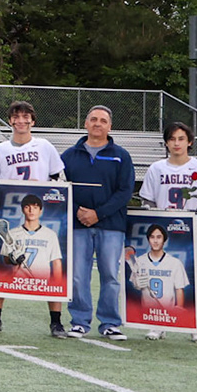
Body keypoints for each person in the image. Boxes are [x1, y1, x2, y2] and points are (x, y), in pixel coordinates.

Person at [0, 100, 68, 338]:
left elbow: (59, 178)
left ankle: (56, 322)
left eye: (26, 117)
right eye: (16, 116)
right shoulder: (0, 150)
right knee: (2, 265)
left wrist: (48, 190)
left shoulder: (45, 146)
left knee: (50, 263)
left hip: (41, 212)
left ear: (33, 121)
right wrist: (3, 188)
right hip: (11, 212)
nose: (21, 121)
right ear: (10, 121)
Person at [62, 105, 135, 341]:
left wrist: (98, 214)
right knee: (77, 275)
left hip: (111, 225)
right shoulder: (69, 155)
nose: (97, 123)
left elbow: (125, 191)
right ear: (85, 123)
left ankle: (110, 322)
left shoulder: (121, 155)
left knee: (111, 275)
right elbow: (60, 190)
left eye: (103, 120)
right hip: (77, 224)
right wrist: (78, 213)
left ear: (109, 126)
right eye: (93, 119)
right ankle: (80, 321)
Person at [128, 223, 191, 340]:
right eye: (152, 237)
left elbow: (179, 288)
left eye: (159, 237)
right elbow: (135, 285)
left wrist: (179, 307)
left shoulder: (175, 263)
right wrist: (137, 284)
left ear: (164, 240)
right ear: (148, 240)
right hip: (148, 311)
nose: (155, 241)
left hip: (167, 310)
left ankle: (161, 327)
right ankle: (156, 327)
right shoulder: (140, 261)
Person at [141, 123, 197, 212]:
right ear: (166, 143)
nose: (176, 143)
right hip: (162, 223)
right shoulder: (156, 168)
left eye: (181, 139)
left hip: (192, 224)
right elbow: (148, 200)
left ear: (189, 142)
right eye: (172, 139)